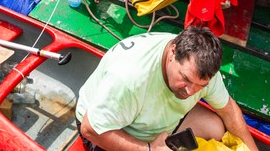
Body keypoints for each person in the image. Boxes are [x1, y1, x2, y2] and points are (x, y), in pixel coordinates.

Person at [75, 27, 256, 151]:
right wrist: (148, 149)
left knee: (215, 128)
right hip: (110, 127)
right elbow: (90, 128)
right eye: (185, 79)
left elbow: (229, 112)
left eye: (201, 86)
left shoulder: (203, 68)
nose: (190, 92)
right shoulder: (130, 78)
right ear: (172, 52)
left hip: (154, 122)